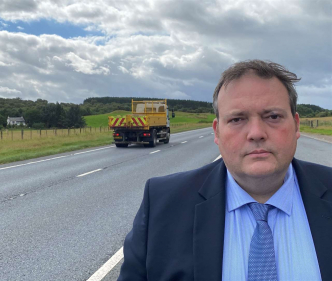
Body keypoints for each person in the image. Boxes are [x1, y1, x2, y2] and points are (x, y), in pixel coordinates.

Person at [118, 60, 332, 281]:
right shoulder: (162, 204)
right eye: (237, 119)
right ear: (217, 132)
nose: (256, 133)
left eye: (273, 117)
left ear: (296, 125)